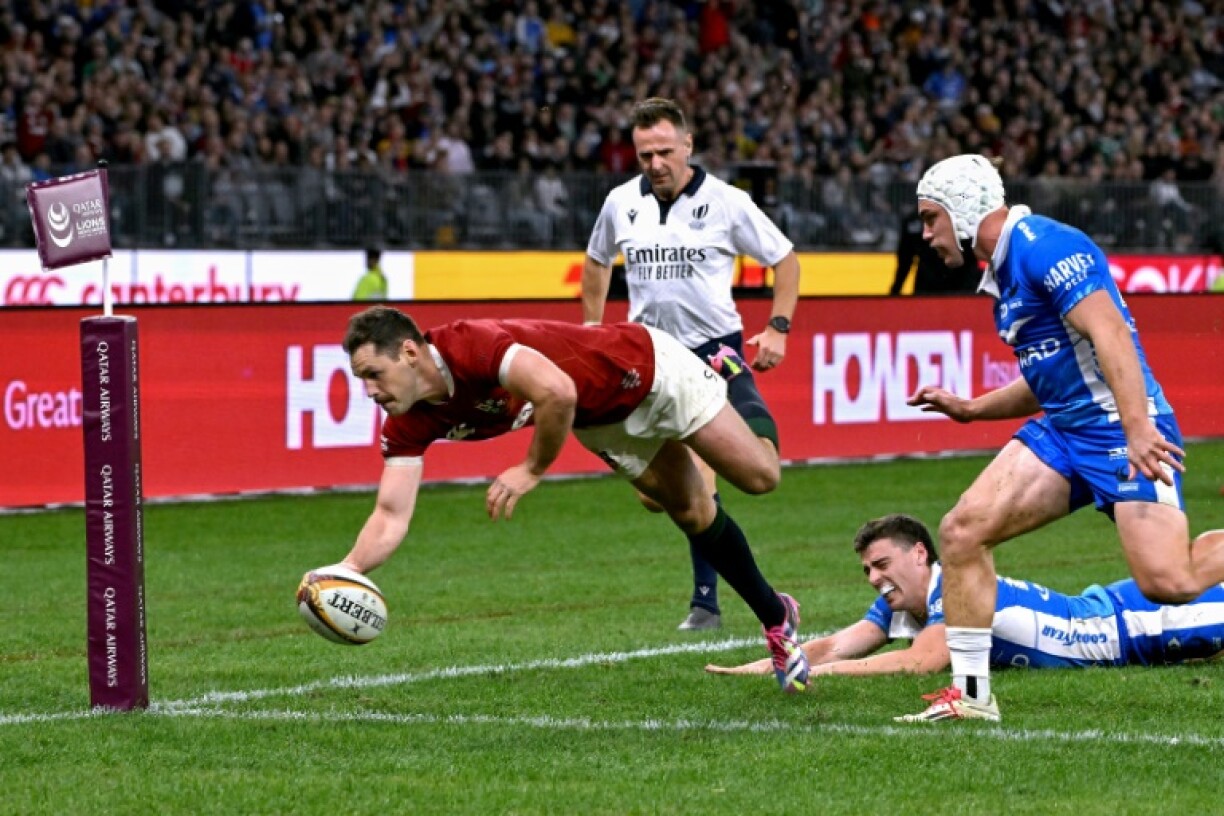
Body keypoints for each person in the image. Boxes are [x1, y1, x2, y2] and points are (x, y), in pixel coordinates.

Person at [310, 305, 811, 694]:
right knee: (687, 511)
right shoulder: (407, 422)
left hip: (648, 369)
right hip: (604, 420)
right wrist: (346, 570)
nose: (369, 390)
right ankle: (776, 617)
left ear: (411, 353)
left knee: (760, 477)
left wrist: (530, 469)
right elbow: (390, 515)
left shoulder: (471, 346)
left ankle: (732, 373)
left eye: (373, 373)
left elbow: (559, 392)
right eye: (361, 380)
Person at [898, 154, 1224, 722]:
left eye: (931, 218)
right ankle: (973, 697)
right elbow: (1053, 370)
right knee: (962, 531)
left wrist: (1138, 428)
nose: (926, 234)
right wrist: (973, 409)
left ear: (964, 208)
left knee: (1170, 580)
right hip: (1063, 428)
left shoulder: (1044, 244)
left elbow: (1111, 331)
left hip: (1117, 429)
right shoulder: (1003, 268)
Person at [581, 97, 801, 631]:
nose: (655, 164)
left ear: (688, 146)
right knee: (655, 497)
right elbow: (595, 262)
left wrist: (778, 326)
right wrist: (591, 331)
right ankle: (710, 598)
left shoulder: (727, 202)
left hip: (714, 351)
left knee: (722, 471)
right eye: (643, 155)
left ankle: (706, 602)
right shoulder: (619, 203)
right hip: (649, 359)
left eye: (663, 152)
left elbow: (785, 260)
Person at [706, 514, 1224, 683]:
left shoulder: (949, 588)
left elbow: (922, 661)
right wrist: (757, 668)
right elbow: (835, 646)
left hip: (1139, 626)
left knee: (1197, 567)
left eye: (882, 565)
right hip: (1110, 606)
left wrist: (817, 676)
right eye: (867, 569)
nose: (873, 578)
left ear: (921, 556)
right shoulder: (901, 603)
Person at [889, 207, 979, 295]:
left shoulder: (965, 218)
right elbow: (905, 259)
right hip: (928, 286)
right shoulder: (914, 221)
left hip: (961, 285)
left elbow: (974, 254)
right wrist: (896, 290)